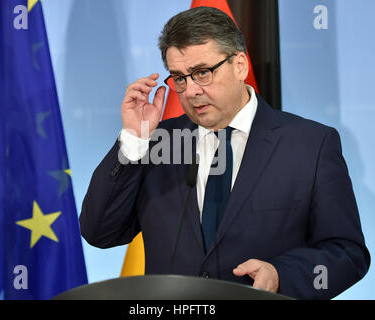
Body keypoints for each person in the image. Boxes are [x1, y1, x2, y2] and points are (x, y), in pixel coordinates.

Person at [79, 7, 370, 299]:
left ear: (240, 65)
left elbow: (347, 253)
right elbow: (100, 232)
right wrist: (133, 140)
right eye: (180, 78)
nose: (191, 90)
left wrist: (282, 275)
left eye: (202, 73)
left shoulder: (310, 145)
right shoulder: (156, 144)